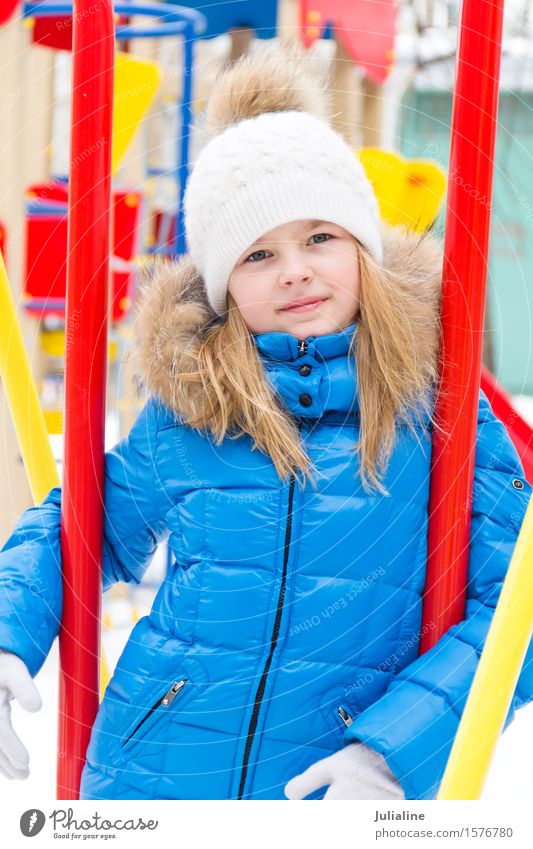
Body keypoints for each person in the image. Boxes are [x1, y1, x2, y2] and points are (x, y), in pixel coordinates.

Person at [0, 41, 532, 802]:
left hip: (332, 794)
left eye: (320, 236)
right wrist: (7, 629)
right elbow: (78, 528)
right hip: (152, 786)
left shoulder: (437, 409)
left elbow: (518, 601)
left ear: (362, 248)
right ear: (222, 286)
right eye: (257, 253)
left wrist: (393, 751)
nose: (294, 269)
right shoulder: (194, 410)